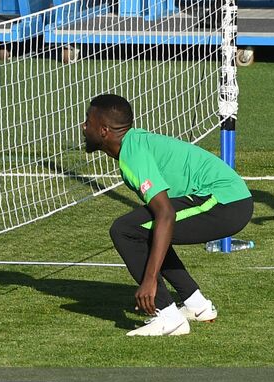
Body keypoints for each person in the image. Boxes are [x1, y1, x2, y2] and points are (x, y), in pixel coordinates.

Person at [81, 94, 254, 337]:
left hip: (225, 202)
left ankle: (168, 315)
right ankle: (197, 305)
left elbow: (166, 214)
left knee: (125, 230)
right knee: (146, 230)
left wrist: (150, 280)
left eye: (87, 121)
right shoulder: (132, 145)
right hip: (227, 200)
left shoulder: (133, 154)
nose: (83, 126)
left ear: (104, 130)